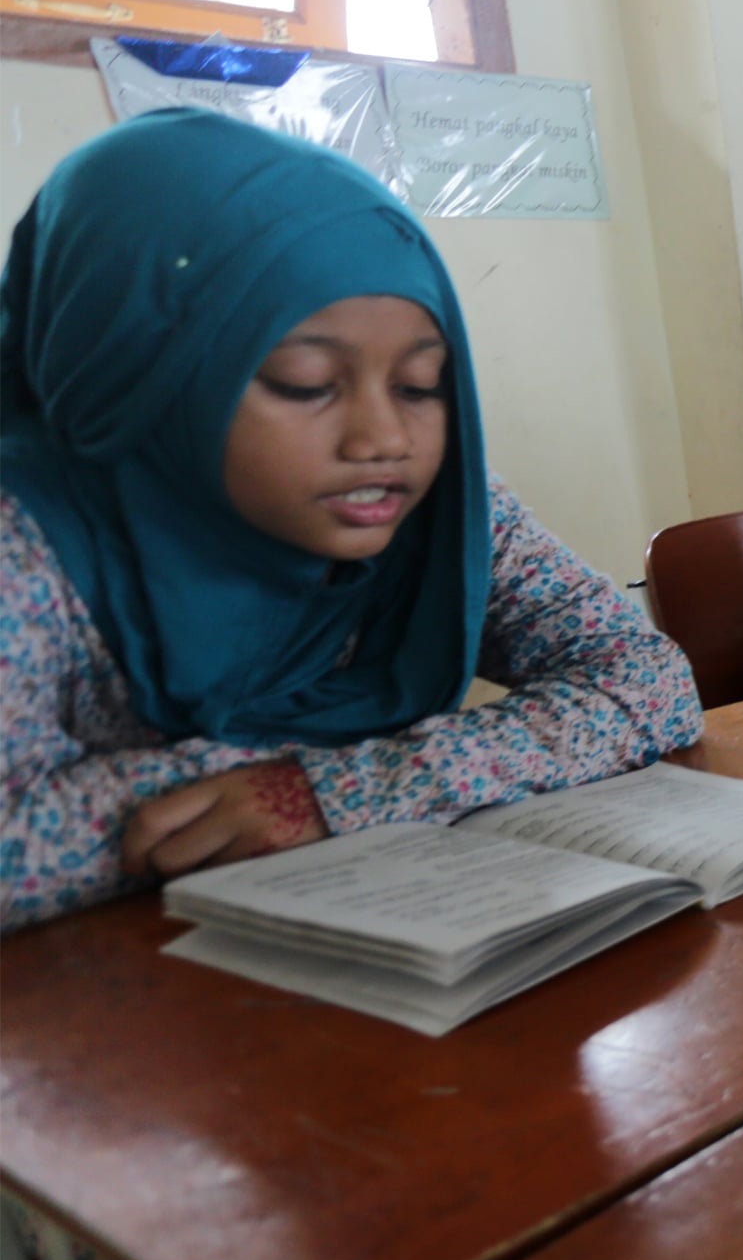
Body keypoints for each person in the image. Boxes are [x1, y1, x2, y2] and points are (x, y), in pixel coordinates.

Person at [0, 111, 703, 937]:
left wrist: (333, 790)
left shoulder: (435, 510)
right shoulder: (26, 545)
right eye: (306, 383)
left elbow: (646, 680)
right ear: (134, 377)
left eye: (420, 386)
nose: (384, 441)